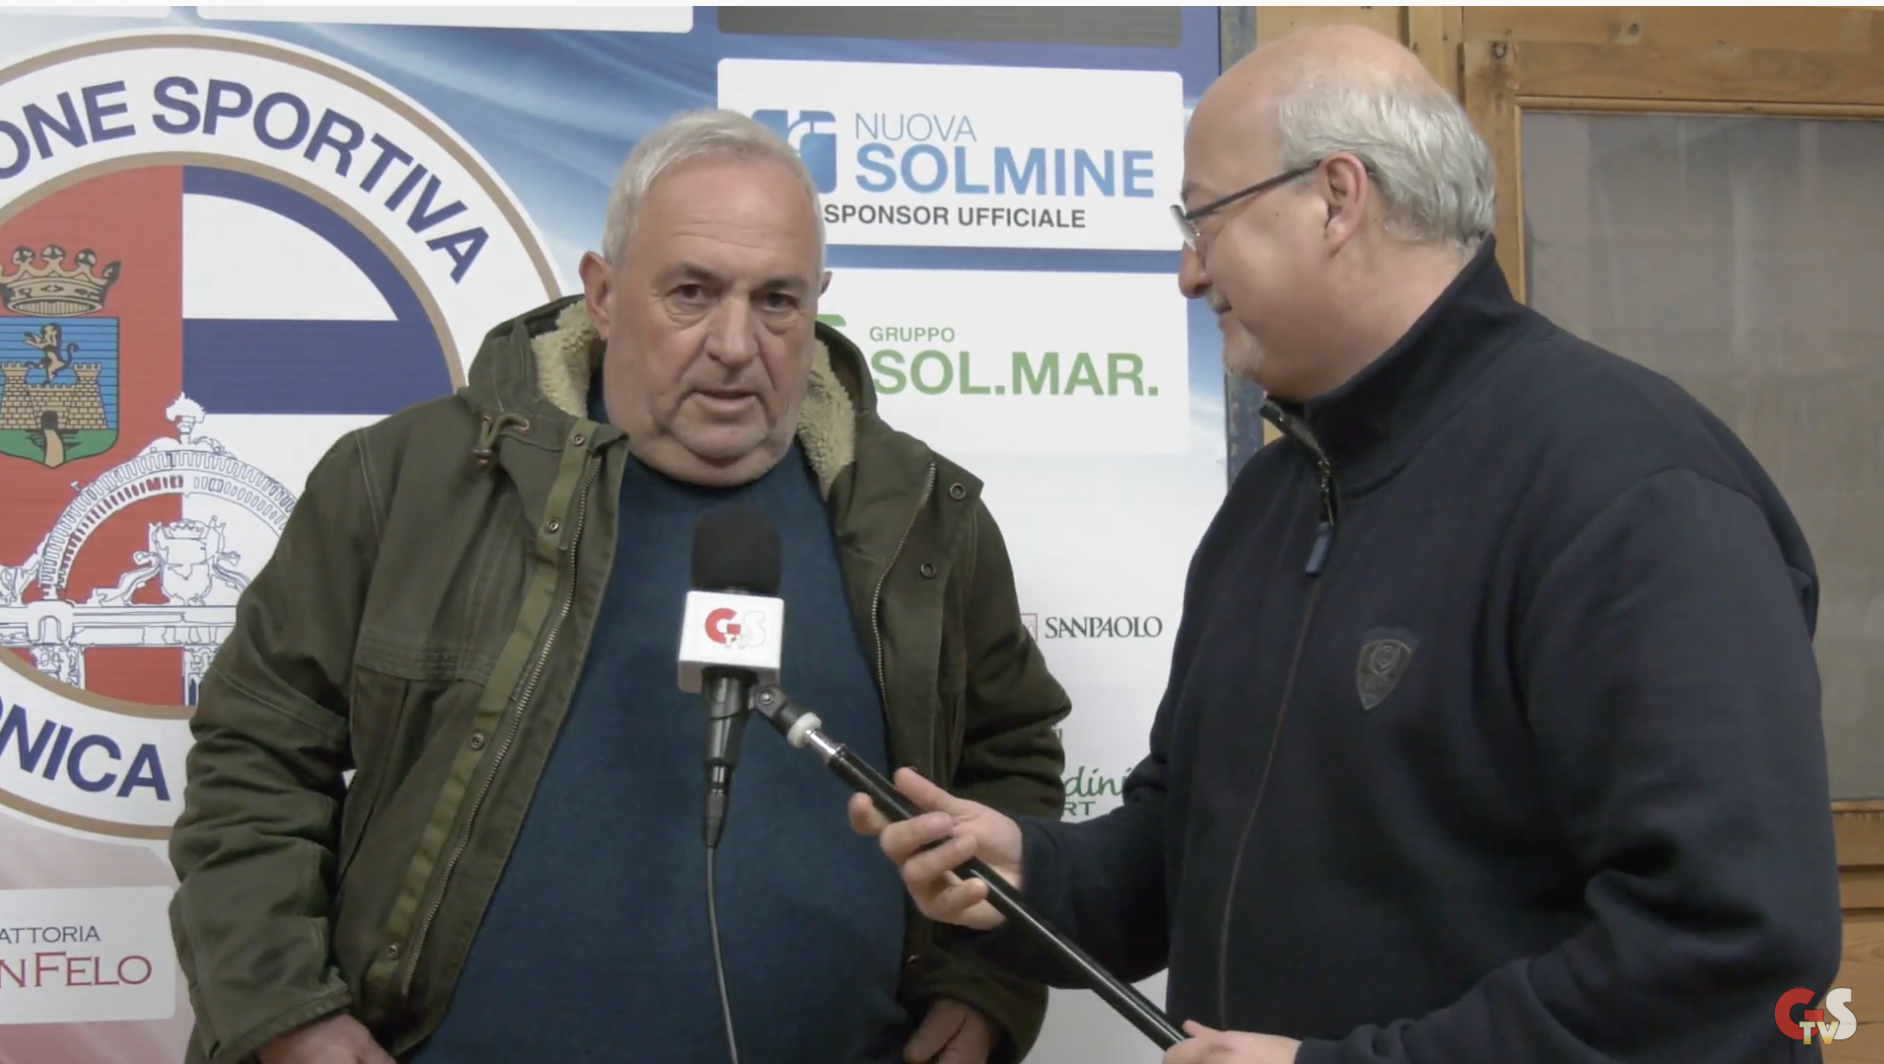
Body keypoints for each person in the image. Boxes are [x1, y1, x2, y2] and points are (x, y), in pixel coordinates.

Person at [853, 24, 1845, 1064]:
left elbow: (1733, 952)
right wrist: (1034, 872)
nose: (1188, 272)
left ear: (1336, 197)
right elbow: (1192, 838)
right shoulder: (1273, 500)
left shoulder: (1632, 491)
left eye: (1203, 220)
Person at [167, 109, 1070, 1064]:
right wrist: (288, 1011)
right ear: (602, 294)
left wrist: (988, 978)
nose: (735, 342)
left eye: (777, 300)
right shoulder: (401, 483)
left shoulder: (920, 519)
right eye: (692, 292)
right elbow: (257, 757)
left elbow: (1007, 762)